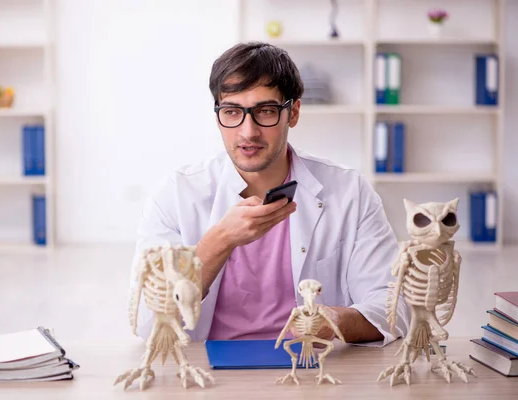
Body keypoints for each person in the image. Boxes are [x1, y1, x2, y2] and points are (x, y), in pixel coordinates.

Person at [129, 41, 410, 347]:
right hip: (206, 376)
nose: (248, 131)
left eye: (265, 111)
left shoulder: (348, 191)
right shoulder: (176, 194)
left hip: (311, 370)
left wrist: (335, 321)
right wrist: (220, 240)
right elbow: (147, 323)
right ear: (217, 116)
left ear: (294, 112)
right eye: (232, 111)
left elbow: (393, 306)